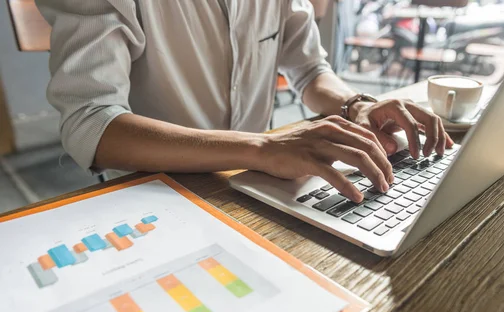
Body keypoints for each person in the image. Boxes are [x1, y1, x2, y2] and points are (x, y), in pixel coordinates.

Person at [37, 0, 453, 204]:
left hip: (262, 179)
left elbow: (308, 70)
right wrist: (263, 147)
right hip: (155, 190)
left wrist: (354, 103)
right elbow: (91, 123)